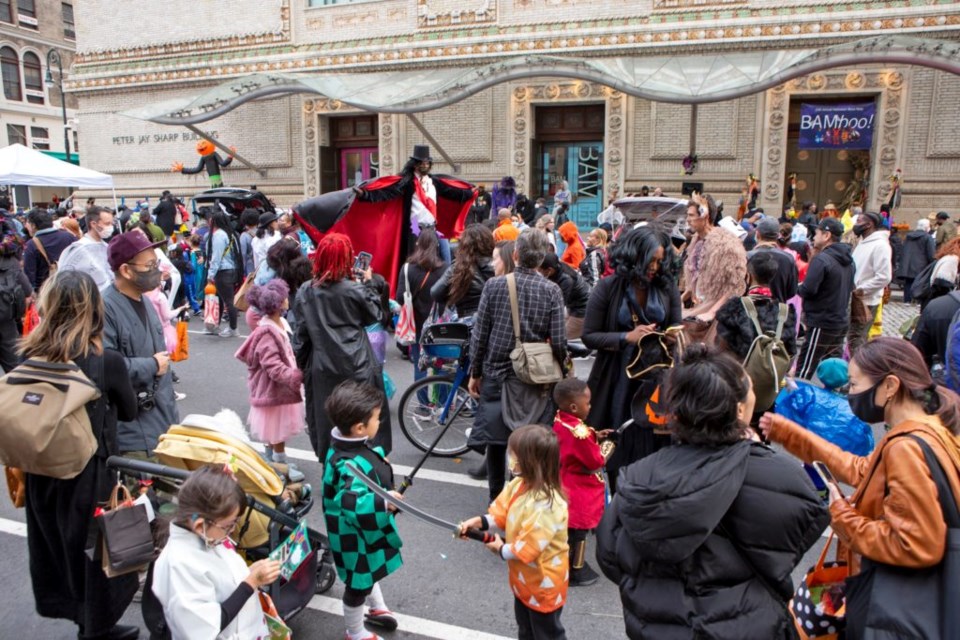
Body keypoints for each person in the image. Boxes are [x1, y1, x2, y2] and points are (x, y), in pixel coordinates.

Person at [598, 345, 830, 640]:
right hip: (746, 625)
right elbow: (796, 534)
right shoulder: (777, 473)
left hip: (654, 626)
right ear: (739, 410)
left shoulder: (638, 476)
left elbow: (610, 555)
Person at [760, 337, 960, 637]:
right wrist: (792, 435)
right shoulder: (933, 425)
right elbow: (862, 470)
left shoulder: (905, 447)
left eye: (854, 385)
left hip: (894, 604)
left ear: (890, 386)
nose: (851, 394)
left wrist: (842, 515)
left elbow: (916, 543)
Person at [22, 271, 140, 640]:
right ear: (93, 311)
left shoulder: (29, 354)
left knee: (58, 548)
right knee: (97, 556)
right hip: (91, 474)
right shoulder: (106, 361)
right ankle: (96, 628)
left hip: (42, 470)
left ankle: (85, 621)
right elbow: (130, 410)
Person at [468, 229, 568, 501]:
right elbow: (559, 341)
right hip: (533, 378)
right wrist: (563, 370)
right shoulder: (552, 291)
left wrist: (474, 372)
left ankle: (496, 500)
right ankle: (521, 497)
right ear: (541, 259)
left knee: (496, 440)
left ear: (515, 255)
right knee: (527, 440)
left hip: (496, 373)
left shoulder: (495, 285)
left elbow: (480, 334)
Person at [583, 227, 682, 488]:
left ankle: (646, 495)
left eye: (660, 261)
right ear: (633, 256)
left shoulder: (667, 286)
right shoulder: (608, 287)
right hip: (616, 376)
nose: (655, 267)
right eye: (651, 260)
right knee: (616, 437)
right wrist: (626, 337)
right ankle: (616, 494)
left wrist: (671, 337)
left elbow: (675, 325)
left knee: (655, 440)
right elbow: (589, 336)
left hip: (656, 377)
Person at [459, 425, 569, 640]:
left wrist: (500, 549)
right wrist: (479, 523)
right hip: (524, 578)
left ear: (531, 461)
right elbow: (501, 515)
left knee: (547, 633)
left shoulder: (548, 504)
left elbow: (529, 548)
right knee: (526, 629)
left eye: (514, 455)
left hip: (543, 583)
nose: (510, 458)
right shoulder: (520, 483)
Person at [152, 465, 280, 640]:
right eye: (228, 526)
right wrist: (251, 581)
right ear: (199, 525)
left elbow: (221, 583)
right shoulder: (180, 565)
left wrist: (248, 574)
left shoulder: (205, 537)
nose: (232, 531)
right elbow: (204, 628)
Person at [295, 233, 391, 461]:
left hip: (322, 367)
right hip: (357, 364)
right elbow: (375, 316)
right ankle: (367, 470)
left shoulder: (306, 291)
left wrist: (302, 367)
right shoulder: (354, 290)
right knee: (363, 420)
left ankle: (332, 470)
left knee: (328, 420)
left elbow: (301, 336)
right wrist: (369, 283)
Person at [322, 381, 403, 640]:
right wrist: (383, 502)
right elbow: (352, 502)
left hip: (359, 533)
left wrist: (378, 456)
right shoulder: (348, 464)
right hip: (352, 535)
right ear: (359, 428)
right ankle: (355, 632)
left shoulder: (344, 442)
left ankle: (377, 609)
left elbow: (363, 456)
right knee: (358, 583)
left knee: (369, 569)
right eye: (377, 418)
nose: (379, 422)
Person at [102, 231, 179, 456]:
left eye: (156, 262)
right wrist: (151, 366)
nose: (158, 270)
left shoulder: (144, 299)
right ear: (126, 270)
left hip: (162, 419)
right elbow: (104, 366)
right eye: (150, 265)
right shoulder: (105, 308)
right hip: (133, 430)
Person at [715, 252, 797, 414]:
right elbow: (791, 353)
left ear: (748, 275)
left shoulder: (734, 308)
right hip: (767, 391)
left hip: (736, 389)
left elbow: (720, 350)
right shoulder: (785, 312)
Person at [234, 279, 305, 465]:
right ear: (279, 303)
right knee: (276, 429)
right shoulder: (267, 331)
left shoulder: (279, 323)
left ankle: (273, 458)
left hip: (279, 386)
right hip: (273, 388)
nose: (288, 299)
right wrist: (294, 376)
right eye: (284, 297)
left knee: (275, 429)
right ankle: (279, 463)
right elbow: (272, 365)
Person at [552, 378, 611, 587]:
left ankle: (564, 561)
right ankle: (575, 568)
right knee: (579, 530)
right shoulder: (581, 433)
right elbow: (595, 461)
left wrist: (595, 435)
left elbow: (573, 440)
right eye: (588, 404)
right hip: (580, 486)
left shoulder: (561, 419)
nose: (590, 407)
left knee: (568, 527)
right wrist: (608, 446)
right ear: (575, 406)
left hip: (564, 478)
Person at [795, 218, 855, 380]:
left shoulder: (822, 259)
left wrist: (796, 286)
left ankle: (797, 401)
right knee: (833, 372)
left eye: (816, 234)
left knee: (805, 369)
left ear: (826, 235)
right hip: (839, 320)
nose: (813, 238)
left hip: (822, 321)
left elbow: (808, 289)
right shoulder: (849, 260)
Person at [682, 197, 748, 322]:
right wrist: (683, 297)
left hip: (716, 316)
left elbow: (735, 285)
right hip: (697, 309)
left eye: (691, 215)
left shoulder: (726, 244)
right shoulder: (695, 242)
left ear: (705, 216)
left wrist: (712, 312)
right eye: (687, 215)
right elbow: (695, 278)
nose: (688, 220)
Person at [396, 229, 446, 385]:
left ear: (418, 244)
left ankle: (422, 404)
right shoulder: (444, 269)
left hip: (416, 323)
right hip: (440, 324)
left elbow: (400, 297)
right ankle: (441, 404)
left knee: (420, 365)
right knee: (441, 365)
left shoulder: (407, 268)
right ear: (437, 246)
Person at [849, 211, 892, 355]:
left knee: (857, 338)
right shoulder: (863, 242)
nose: (856, 224)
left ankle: (860, 370)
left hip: (865, 299)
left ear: (869, 224)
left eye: (859, 221)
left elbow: (884, 276)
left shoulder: (880, 245)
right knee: (852, 337)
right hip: (855, 296)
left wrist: (862, 289)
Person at [430, 224, 495, 319]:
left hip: (466, 322)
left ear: (464, 244)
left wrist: (452, 297)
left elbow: (435, 293)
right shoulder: (498, 264)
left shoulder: (458, 267)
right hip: (493, 320)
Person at [58, 206, 116, 291]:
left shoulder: (106, 246)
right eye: (107, 224)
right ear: (93, 224)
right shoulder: (77, 249)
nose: (111, 227)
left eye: (112, 224)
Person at [205, 211, 243, 337]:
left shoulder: (218, 236)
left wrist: (210, 274)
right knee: (222, 300)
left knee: (228, 301)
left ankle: (233, 328)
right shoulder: (230, 234)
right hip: (231, 270)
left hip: (222, 271)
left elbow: (216, 257)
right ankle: (216, 325)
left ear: (214, 222)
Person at [22, 207, 77, 290]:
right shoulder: (69, 236)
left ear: (33, 225)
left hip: (45, 291)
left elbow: (29, 274)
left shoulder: (31, 245)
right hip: (71, 286)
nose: (26, 226)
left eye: (27, 223)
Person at [539, 252, 590, 340]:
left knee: (562, 338)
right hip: (573, 306)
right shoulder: (557, 267)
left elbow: (558, 305)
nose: (539, 272)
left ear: (549, 270)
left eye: (540, 270)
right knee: (560, 329)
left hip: (583, 309)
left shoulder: (566, 279)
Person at [746, 217, 798, 304]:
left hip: (750, 312)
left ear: (757, 234)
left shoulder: (747, 257)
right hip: (778, 313)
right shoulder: (788, 259)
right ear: (778, 236)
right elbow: (792, 291)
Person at [0, 227, 29, 373]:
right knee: (14, 368)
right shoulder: (10, 260)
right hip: (7, 320)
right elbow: (28, 292)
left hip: (7, 320)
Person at [899, 218, 936, 304]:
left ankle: (907, 300)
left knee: (908, 282)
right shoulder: (927, 237)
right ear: (927, 227)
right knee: (919, 282)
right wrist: (932, 262)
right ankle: (916, 300)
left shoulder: (908, 236)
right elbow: (931, 252)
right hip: (921, 264)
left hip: (908, 263)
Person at [237, 208, 260, 277]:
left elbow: (242, 254)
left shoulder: (244, 236)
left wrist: (241, 271)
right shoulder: (262, 232)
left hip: (250, 267)